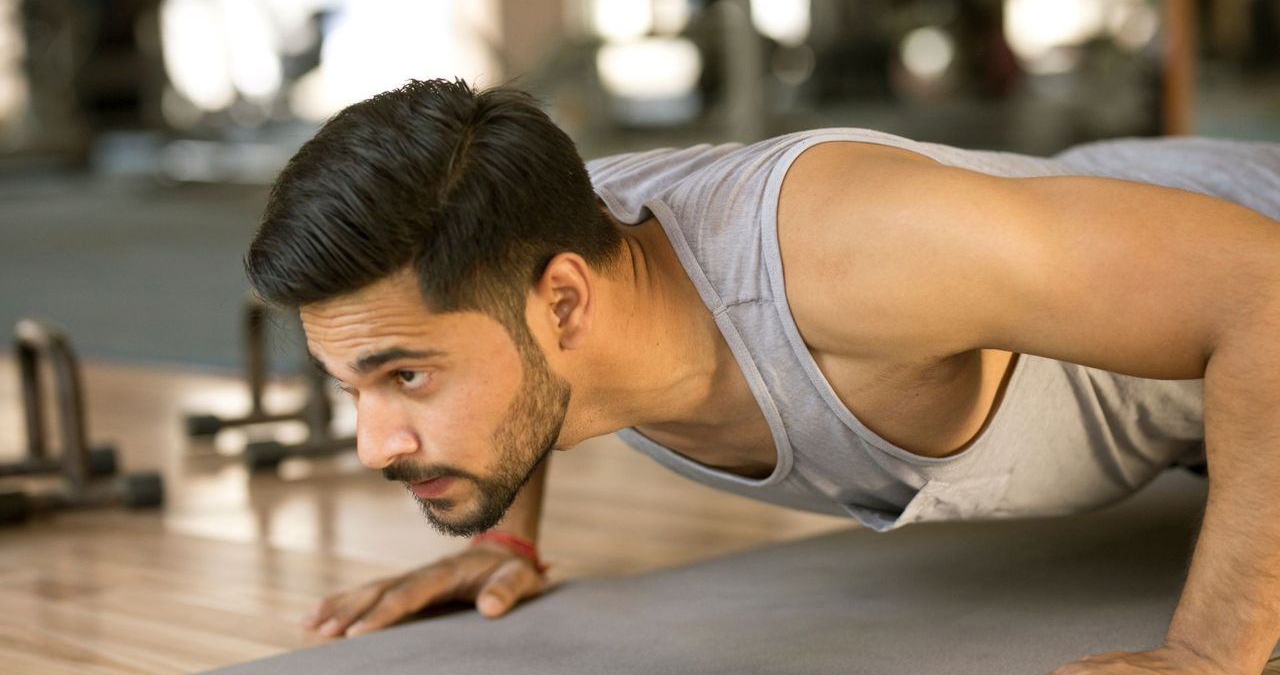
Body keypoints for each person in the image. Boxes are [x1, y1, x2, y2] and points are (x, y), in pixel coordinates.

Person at [244, 78, 1280, 674]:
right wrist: (508, 531)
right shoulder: (556, 256)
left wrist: (1206, 660)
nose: (375, 446)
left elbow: (1262, 296)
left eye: (406, 379)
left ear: (564, 303)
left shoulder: (847, 255)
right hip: (1122, 263)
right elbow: (507, 335)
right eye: (354, 386)